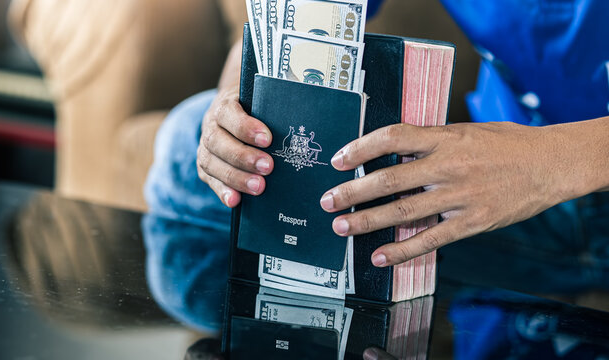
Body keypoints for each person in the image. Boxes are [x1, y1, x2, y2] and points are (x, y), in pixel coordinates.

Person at [145, 0, 609, 278]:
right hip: (492, 194)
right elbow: (285, 21)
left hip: (560, 168)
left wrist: (550, 164)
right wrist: (239, 104)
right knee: (186, 147)